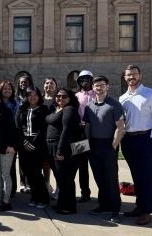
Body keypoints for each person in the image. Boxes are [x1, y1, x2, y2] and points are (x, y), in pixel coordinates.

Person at [120, 65, 152, 226]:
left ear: (140, 75)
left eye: (134, 74)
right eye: (128, 75)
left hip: (145, 139)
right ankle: (139, 206)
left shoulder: (151, 94)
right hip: (128, 140)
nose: (131, 77)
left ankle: (146, 211)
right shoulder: (122, 98)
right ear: (125, 78)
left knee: (146, 176)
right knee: (136, 176)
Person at [84, 75, 125, 223]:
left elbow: (120, 127)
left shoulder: (114, 104)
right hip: (93, 146)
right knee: (99, 178)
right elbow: (87, 127)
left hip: (108, 145)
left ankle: (115, 209)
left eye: (102, 85)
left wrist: (113, 147)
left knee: (111, 179)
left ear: (107, 86)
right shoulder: (89, 106)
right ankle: (104, 205)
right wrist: (86, 146)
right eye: (96, 85)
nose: (99, 88)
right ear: (93, 88)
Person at [46, 87, 81, 215]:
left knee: (66, 178)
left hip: (63, 149)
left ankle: (69, 207)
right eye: (58, 96)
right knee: (60, 178)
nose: (60, 98)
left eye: (64, 96)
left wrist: (60, 151)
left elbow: (66, 131)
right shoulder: (56, 109)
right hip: (52, 147)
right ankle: (62, 203)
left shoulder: (70, 109)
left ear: (70, 98)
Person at [15, 87, 50, 208]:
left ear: (39, 96)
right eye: (30, 95)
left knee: (36, 172)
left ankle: (44, 198)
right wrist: (24, 142)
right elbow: (18, 126)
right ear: (26, 97)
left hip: (38, 144)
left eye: (35, 95)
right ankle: (34, 197)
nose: (32, 97)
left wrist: (34, 143)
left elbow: (44, 128)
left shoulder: (43, 109)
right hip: (24, 143)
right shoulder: (22, 109)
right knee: (28, 172)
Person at [75, 70, 94, 203]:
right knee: (82, 165)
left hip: (95, 133)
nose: (84, 81)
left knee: (97, 164)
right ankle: (85, 193)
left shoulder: (97, 94)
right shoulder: (76, 96)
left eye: (87, 79)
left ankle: (104, 193)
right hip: (80, 134)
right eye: (81, 79)